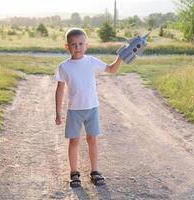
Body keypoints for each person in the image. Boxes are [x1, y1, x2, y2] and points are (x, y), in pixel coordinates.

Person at [54, 28, 122, 187]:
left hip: (92, 108)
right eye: (73, 44)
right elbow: (60, 90)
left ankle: (95, 171)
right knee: (74, 141)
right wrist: (58, 112)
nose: (77, 47)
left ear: (86, 45)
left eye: (80, 44)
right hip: (74, 110)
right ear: (67, 47)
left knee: (92, 140)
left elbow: (111, 69)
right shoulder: (64, 67)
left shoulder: (91, 61)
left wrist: (120, 57)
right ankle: (74, 173)